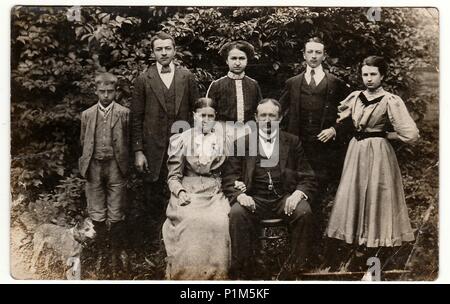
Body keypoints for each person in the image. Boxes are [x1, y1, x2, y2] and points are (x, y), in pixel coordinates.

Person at [326, 56, 419, 255]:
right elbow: (342, 120)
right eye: (365, 74)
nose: (369, 79)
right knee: (354, 190)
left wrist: (387, 134)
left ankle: (376, 242)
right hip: (356, 150)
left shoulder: (390, 100)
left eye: (373, 74)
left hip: (378, 150)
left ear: (382, 75)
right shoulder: (355, 97)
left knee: (377, 192)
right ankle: (354, 241)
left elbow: (411, 134)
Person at [222, 98, 317, 280]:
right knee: (236, 213)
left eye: (272, 116)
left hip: (283, 199)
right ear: (256, 118)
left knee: (304, 212)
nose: (267, 120)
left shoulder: (292, 141)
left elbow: (308, 176)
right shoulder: (243, 143)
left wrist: (297, 194)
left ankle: (296, 269)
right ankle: (245, 271)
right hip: (254, 199)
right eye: (263, 115)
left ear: (280, 119)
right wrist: (240, 196)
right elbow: (229, 177)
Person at [162, 97, 243, 280]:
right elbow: (174, 176)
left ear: (215, 118)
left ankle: (217, 275)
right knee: (190, 221)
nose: (205, 120)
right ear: (194, 116)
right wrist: (180, 192)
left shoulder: (225, 140)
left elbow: (232, 171)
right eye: (201, 115)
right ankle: (186, 276)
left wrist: (236, 182)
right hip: (187, 191)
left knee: (220, 221)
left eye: (210, 116)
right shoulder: (181, 139)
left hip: (214, 191)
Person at [131, 31, 199, 228]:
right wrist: (138, 151)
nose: (163, 53)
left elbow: (197, 114)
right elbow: (136, 118)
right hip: (154, 149)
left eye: (167, 48)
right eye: (159, 49)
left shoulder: (187, 77)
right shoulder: (144, 80)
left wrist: (195, 146)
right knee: (153, 196)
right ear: (153, 53)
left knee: (182, 191)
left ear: (175, 51)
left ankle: (182, 237)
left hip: (182, 147)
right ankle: (157, 243)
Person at [279, 37, 351, 210]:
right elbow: (278, 112)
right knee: (295, 187)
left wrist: (334, 130)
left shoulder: (335, 83)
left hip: (323, 149)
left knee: (319, 191)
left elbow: (351, 115)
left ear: (324, 56)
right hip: (298, 146)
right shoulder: (293, 83)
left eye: (318, 52)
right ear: (303, 55)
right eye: (310, 52)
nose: (313, 56)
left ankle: (317, 234)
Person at [79, 72, 130, 277]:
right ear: (96, 91)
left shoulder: (124, 113)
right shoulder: (87, 114)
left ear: (116, 91)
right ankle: (101, 251)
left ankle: (116, 253)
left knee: (116, 210)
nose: (106, 95)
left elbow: (129, 139)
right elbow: (83, 141)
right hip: (94, 166)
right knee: (97, 210)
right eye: (102, 92)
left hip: (116, 166)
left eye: (110, 91)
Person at [206, 40, 262, 125]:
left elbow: (259, 112)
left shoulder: (253, 84)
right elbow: (208, 113)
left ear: (247, 60)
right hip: (223, 132)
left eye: (242, 58)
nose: (237, 63)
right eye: (233, 58)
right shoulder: (216, 85)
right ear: (227, 61)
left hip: (249, 132)